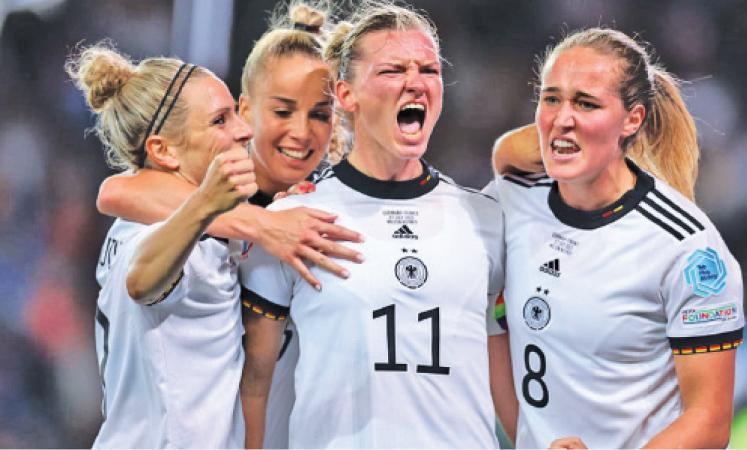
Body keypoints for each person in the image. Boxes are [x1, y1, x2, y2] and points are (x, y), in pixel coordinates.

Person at [238, 3, 505, 448]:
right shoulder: (289, 224)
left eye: (429, 70)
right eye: (392, 70)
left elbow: (506, 365)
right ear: (346, 95)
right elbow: (256, 381)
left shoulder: (485, 220)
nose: (415, 82)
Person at [93, 5, 353, 448]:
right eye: (223, 119)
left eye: (320, 114)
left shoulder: (296, 206)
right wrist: (252, 222)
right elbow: (123, 215)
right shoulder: (183, 230)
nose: (242, 131)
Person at [490, 27, 745, 449]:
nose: (562, 116)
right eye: (551, 98)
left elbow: (710, 422)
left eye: (586, 102)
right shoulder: (511, 201)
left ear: (633, 119)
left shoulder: (686, 246)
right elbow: (491, 329)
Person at [66, 42, 257, 447]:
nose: (244, 130)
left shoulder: (148, 219)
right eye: (220, 120)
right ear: (163, 150)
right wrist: (206, 204)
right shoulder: (165, 235)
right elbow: (142, 279)